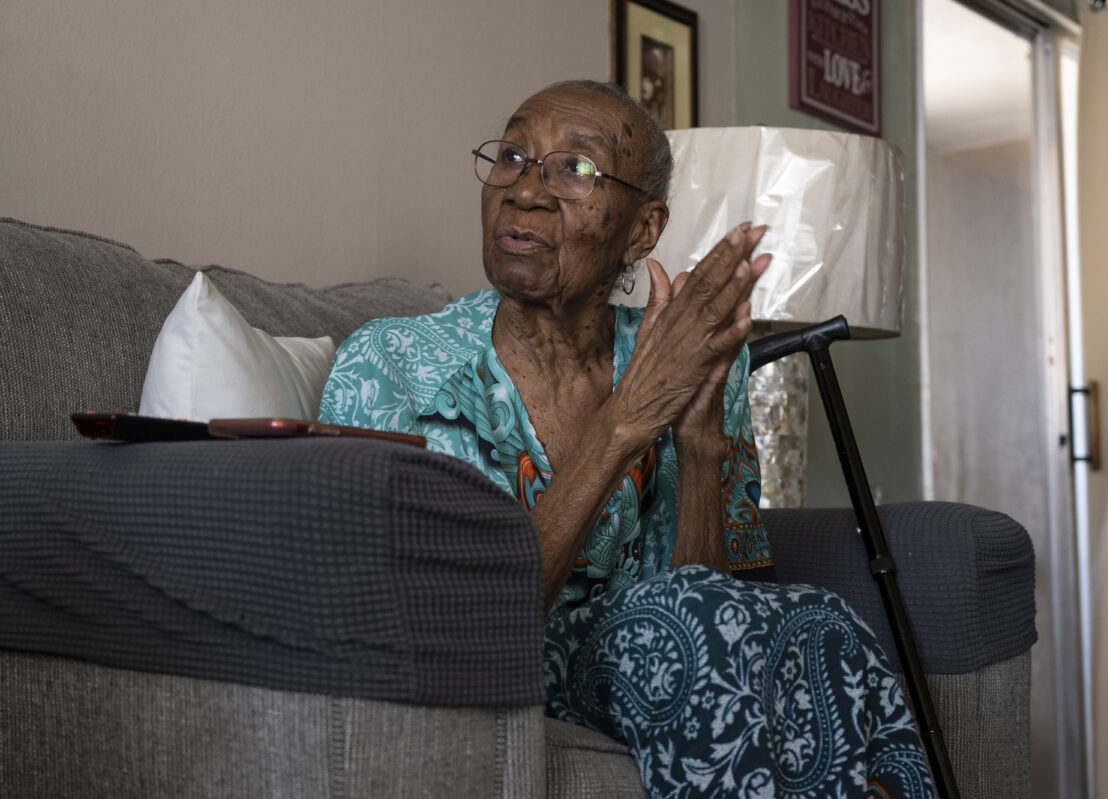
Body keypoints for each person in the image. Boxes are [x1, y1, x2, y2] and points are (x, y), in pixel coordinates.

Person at [319, 79, 934, 798]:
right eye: (513, 154)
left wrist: (701, 445)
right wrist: (624, 422)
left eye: (573, 169)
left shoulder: (683, 354)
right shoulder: (389, 362)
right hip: (498, 664)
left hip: (662, 663)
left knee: (815, 614)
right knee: (669, 621)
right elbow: (440, 624)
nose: (524, 190)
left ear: (642, 231)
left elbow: (718, 609)